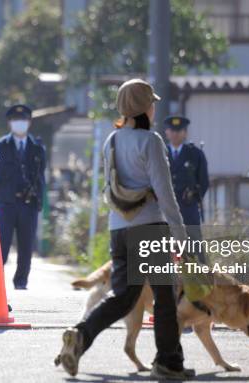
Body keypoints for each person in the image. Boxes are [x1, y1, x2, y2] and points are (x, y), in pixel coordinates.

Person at [55, 79, 194, 380]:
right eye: (151, 102)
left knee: (122, 297)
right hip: (151, 228)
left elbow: (109, 190)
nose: (154, 107)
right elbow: (165, 193)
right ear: (145, 107)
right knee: (165, 297)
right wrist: (181, 236)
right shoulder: (151, 141)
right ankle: (168, 362)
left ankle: (80, 334)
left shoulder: (112, 141)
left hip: (119, 229)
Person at [0, 105, 46, 289]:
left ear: (29, 122)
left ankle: (21, 281)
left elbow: (41, 175)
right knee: (1, 245)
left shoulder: (37, 147)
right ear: (9, 122)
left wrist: (38, 200)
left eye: (23, 120)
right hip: (7, 202)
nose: (20, 123)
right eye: (16, 120)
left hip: (29, 203)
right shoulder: (1, 145)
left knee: (26, 245)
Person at [163, 116, 209, 264]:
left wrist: (194, 196)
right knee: (164, 246)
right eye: (172, 130)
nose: (175, 134)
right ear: (166, 133)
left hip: (188, 208)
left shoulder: (195, 154)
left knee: (194, 246)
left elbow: (204, 181)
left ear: (185, 133)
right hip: (165, 209)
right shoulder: (160, 153)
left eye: (179, 131)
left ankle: (202, 278)